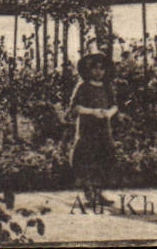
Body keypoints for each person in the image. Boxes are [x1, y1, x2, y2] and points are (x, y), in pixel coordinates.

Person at [68, 53, 118, 209]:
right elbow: (74, 107)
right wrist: (92, 111)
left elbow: (114, 105)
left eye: (101, 69)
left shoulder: (107, 87)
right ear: (88, 70)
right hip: (87, 129)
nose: (98, 72)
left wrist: (109, 113)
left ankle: (98, 193)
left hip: (103, 129)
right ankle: (89, 193)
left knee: (103, 157)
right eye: (95, 69)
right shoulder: (83, 86)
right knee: (86, 158)